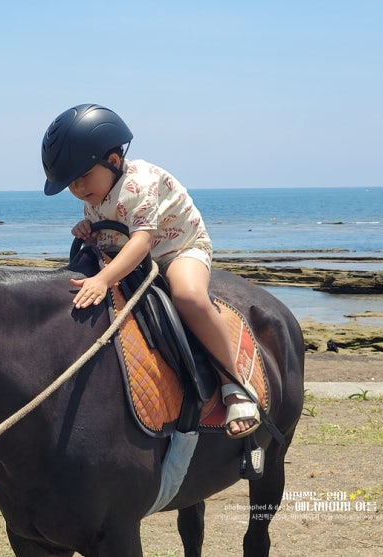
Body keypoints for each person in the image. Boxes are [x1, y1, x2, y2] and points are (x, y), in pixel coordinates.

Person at [41, 103, 260, 438]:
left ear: (113, 162)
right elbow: (111, 226)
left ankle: (234, 385)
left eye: (82, 178)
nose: (79, 189)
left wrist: (103, 279)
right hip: (129, 255)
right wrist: (88, 228)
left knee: (187, 296)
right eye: (71, 184)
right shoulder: (94, 190)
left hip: (176, 250)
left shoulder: (140, 184)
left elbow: (142, 240)